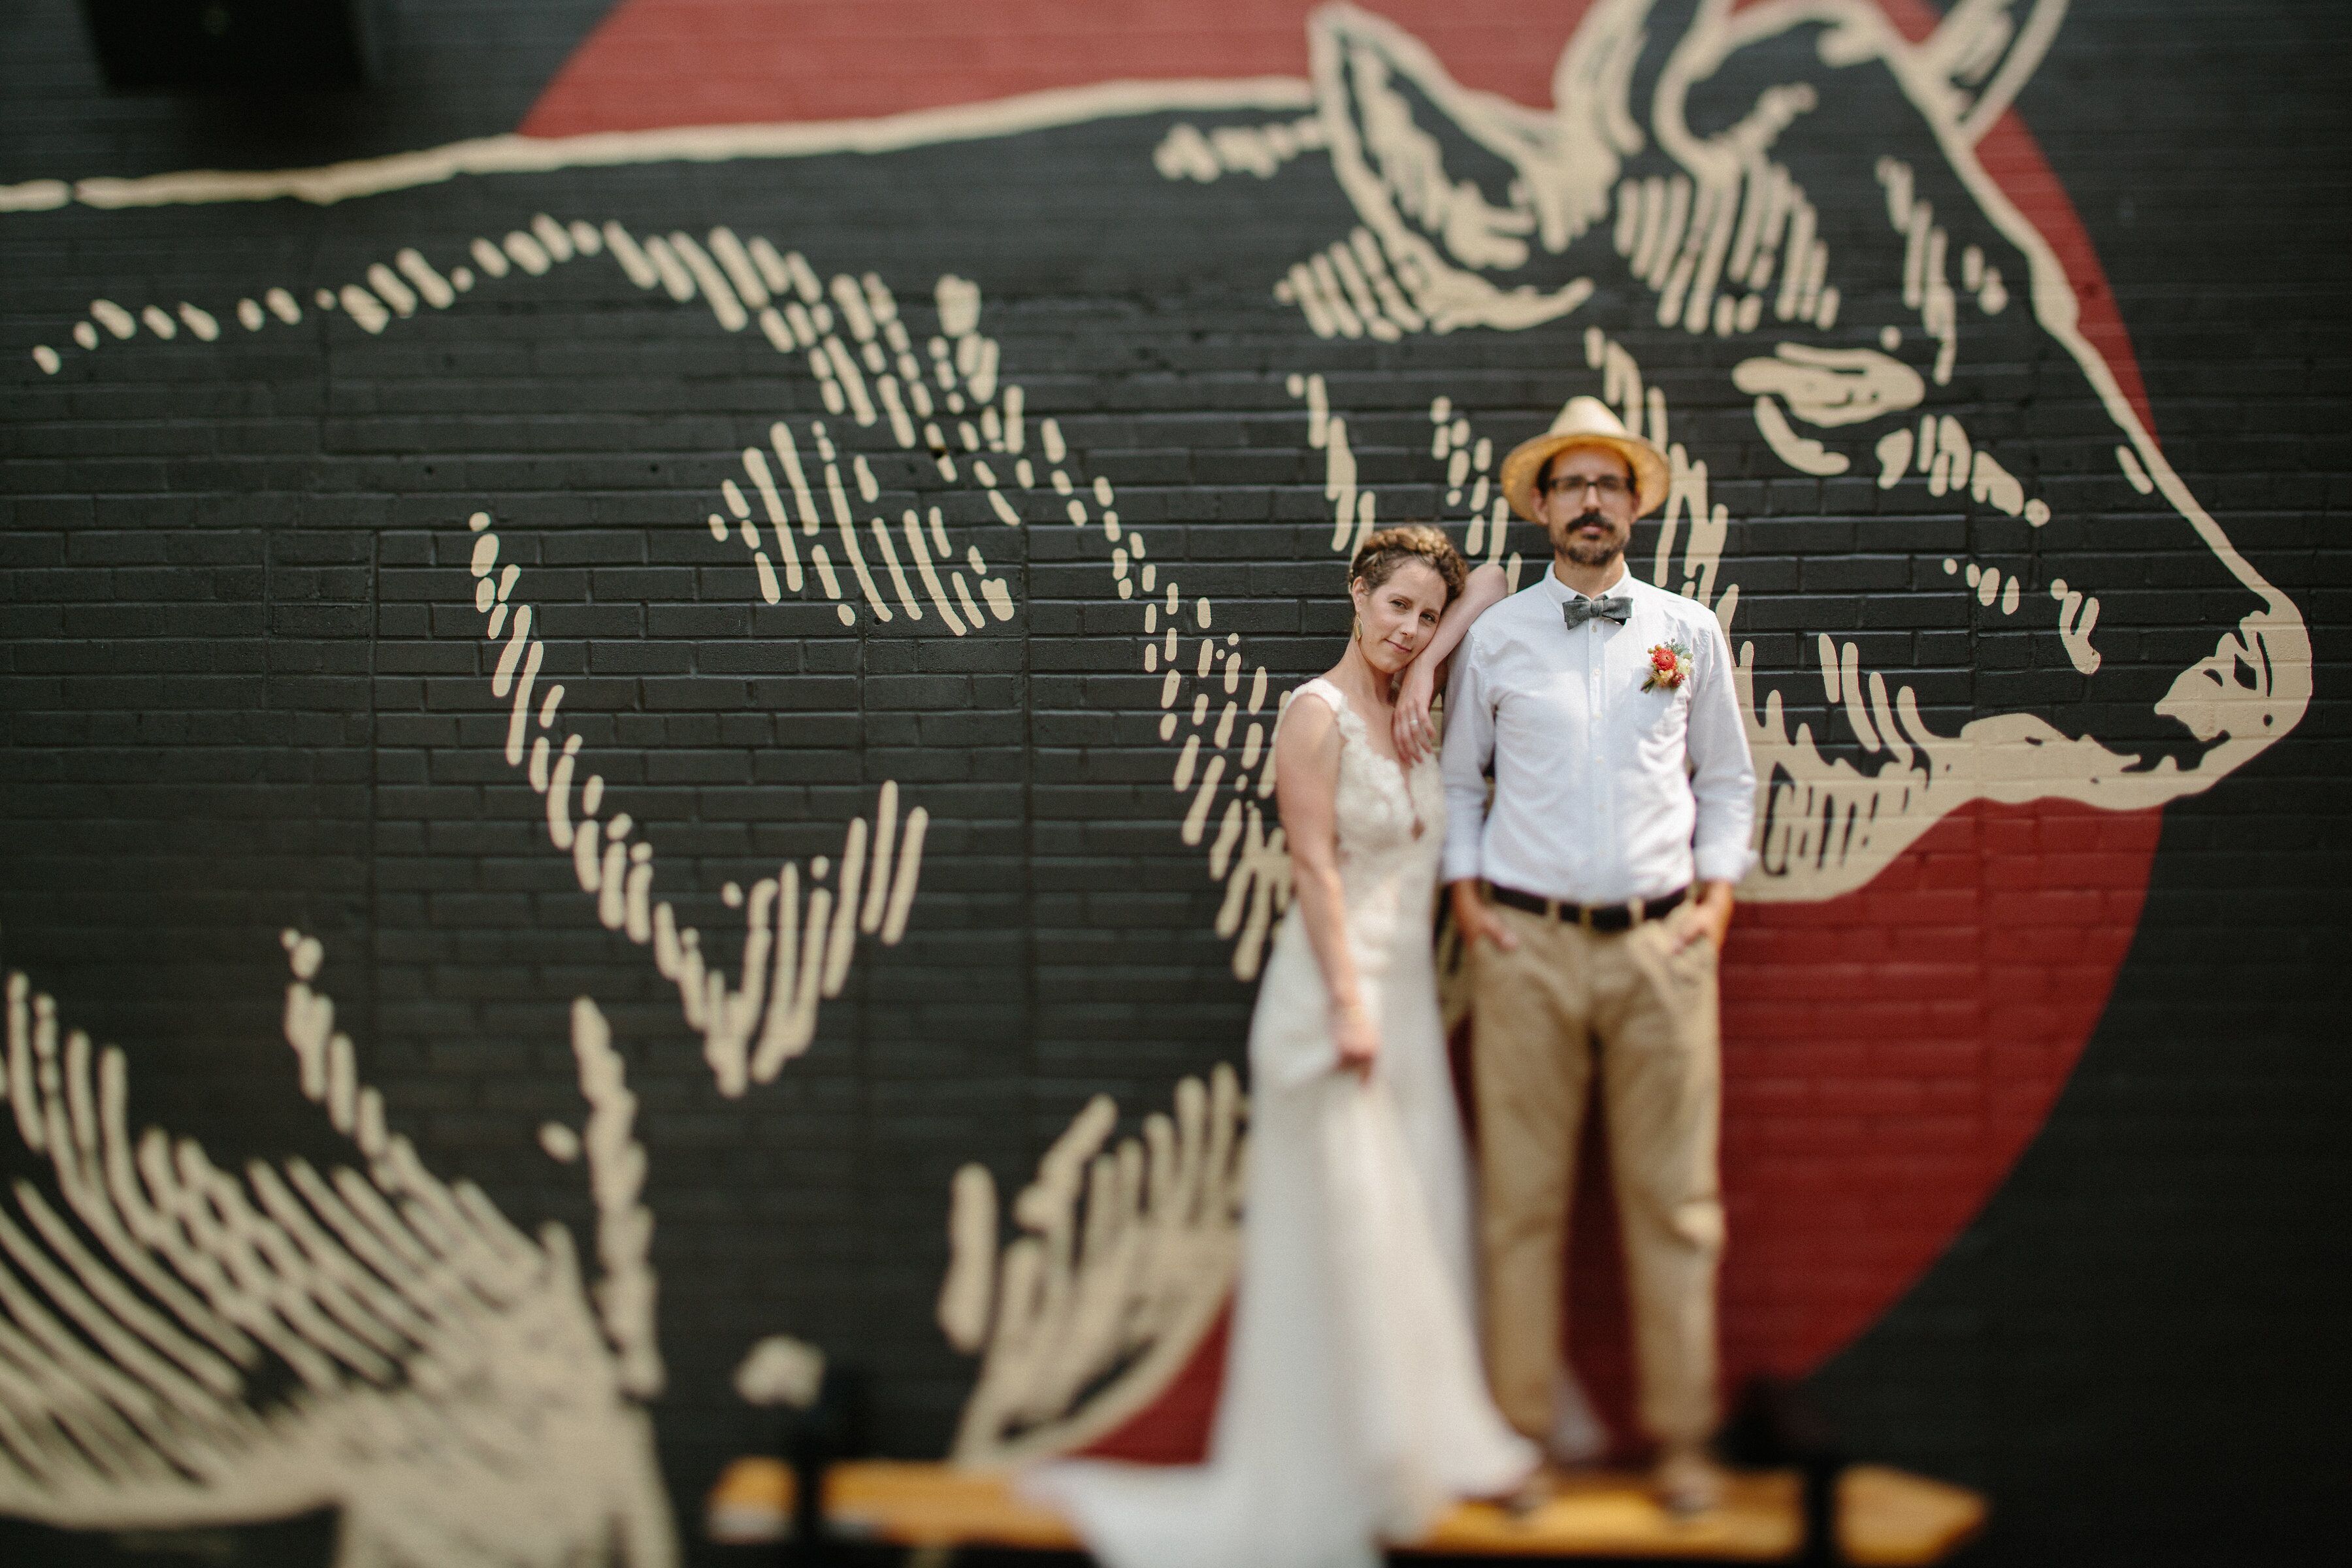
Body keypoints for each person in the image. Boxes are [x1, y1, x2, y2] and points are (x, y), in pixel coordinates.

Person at [1026, 527, 1533, 1568]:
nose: (1407, 627)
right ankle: (1365, 1460)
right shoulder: (1316, 715)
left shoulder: (1413, 709)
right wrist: (1350, 1010)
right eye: (1395, 605)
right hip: (1333, 1006)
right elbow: (1313, 868)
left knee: (1419, 1219)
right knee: (1352, 1236)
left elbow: (1494, 577)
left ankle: (1417, 1444)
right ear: (1356, 592)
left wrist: (1434, 660)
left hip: (1404, 1013)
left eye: (1425, 615)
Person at [1431, 397, 1757, 1514]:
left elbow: (1728, 779)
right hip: (1523, 948)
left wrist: (1713, 905)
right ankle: (1522, 1440)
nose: (1590, 503)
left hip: (1663, 947)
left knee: (1676, 1204)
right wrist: (1468, 900)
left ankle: (1681, 1444)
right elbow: (1459, 780)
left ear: (1633, 504)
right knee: (1521, 1206)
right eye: (1570, 486)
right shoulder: (1500, 639)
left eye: (1608, 485)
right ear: (1540, 506)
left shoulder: (1689, 632)